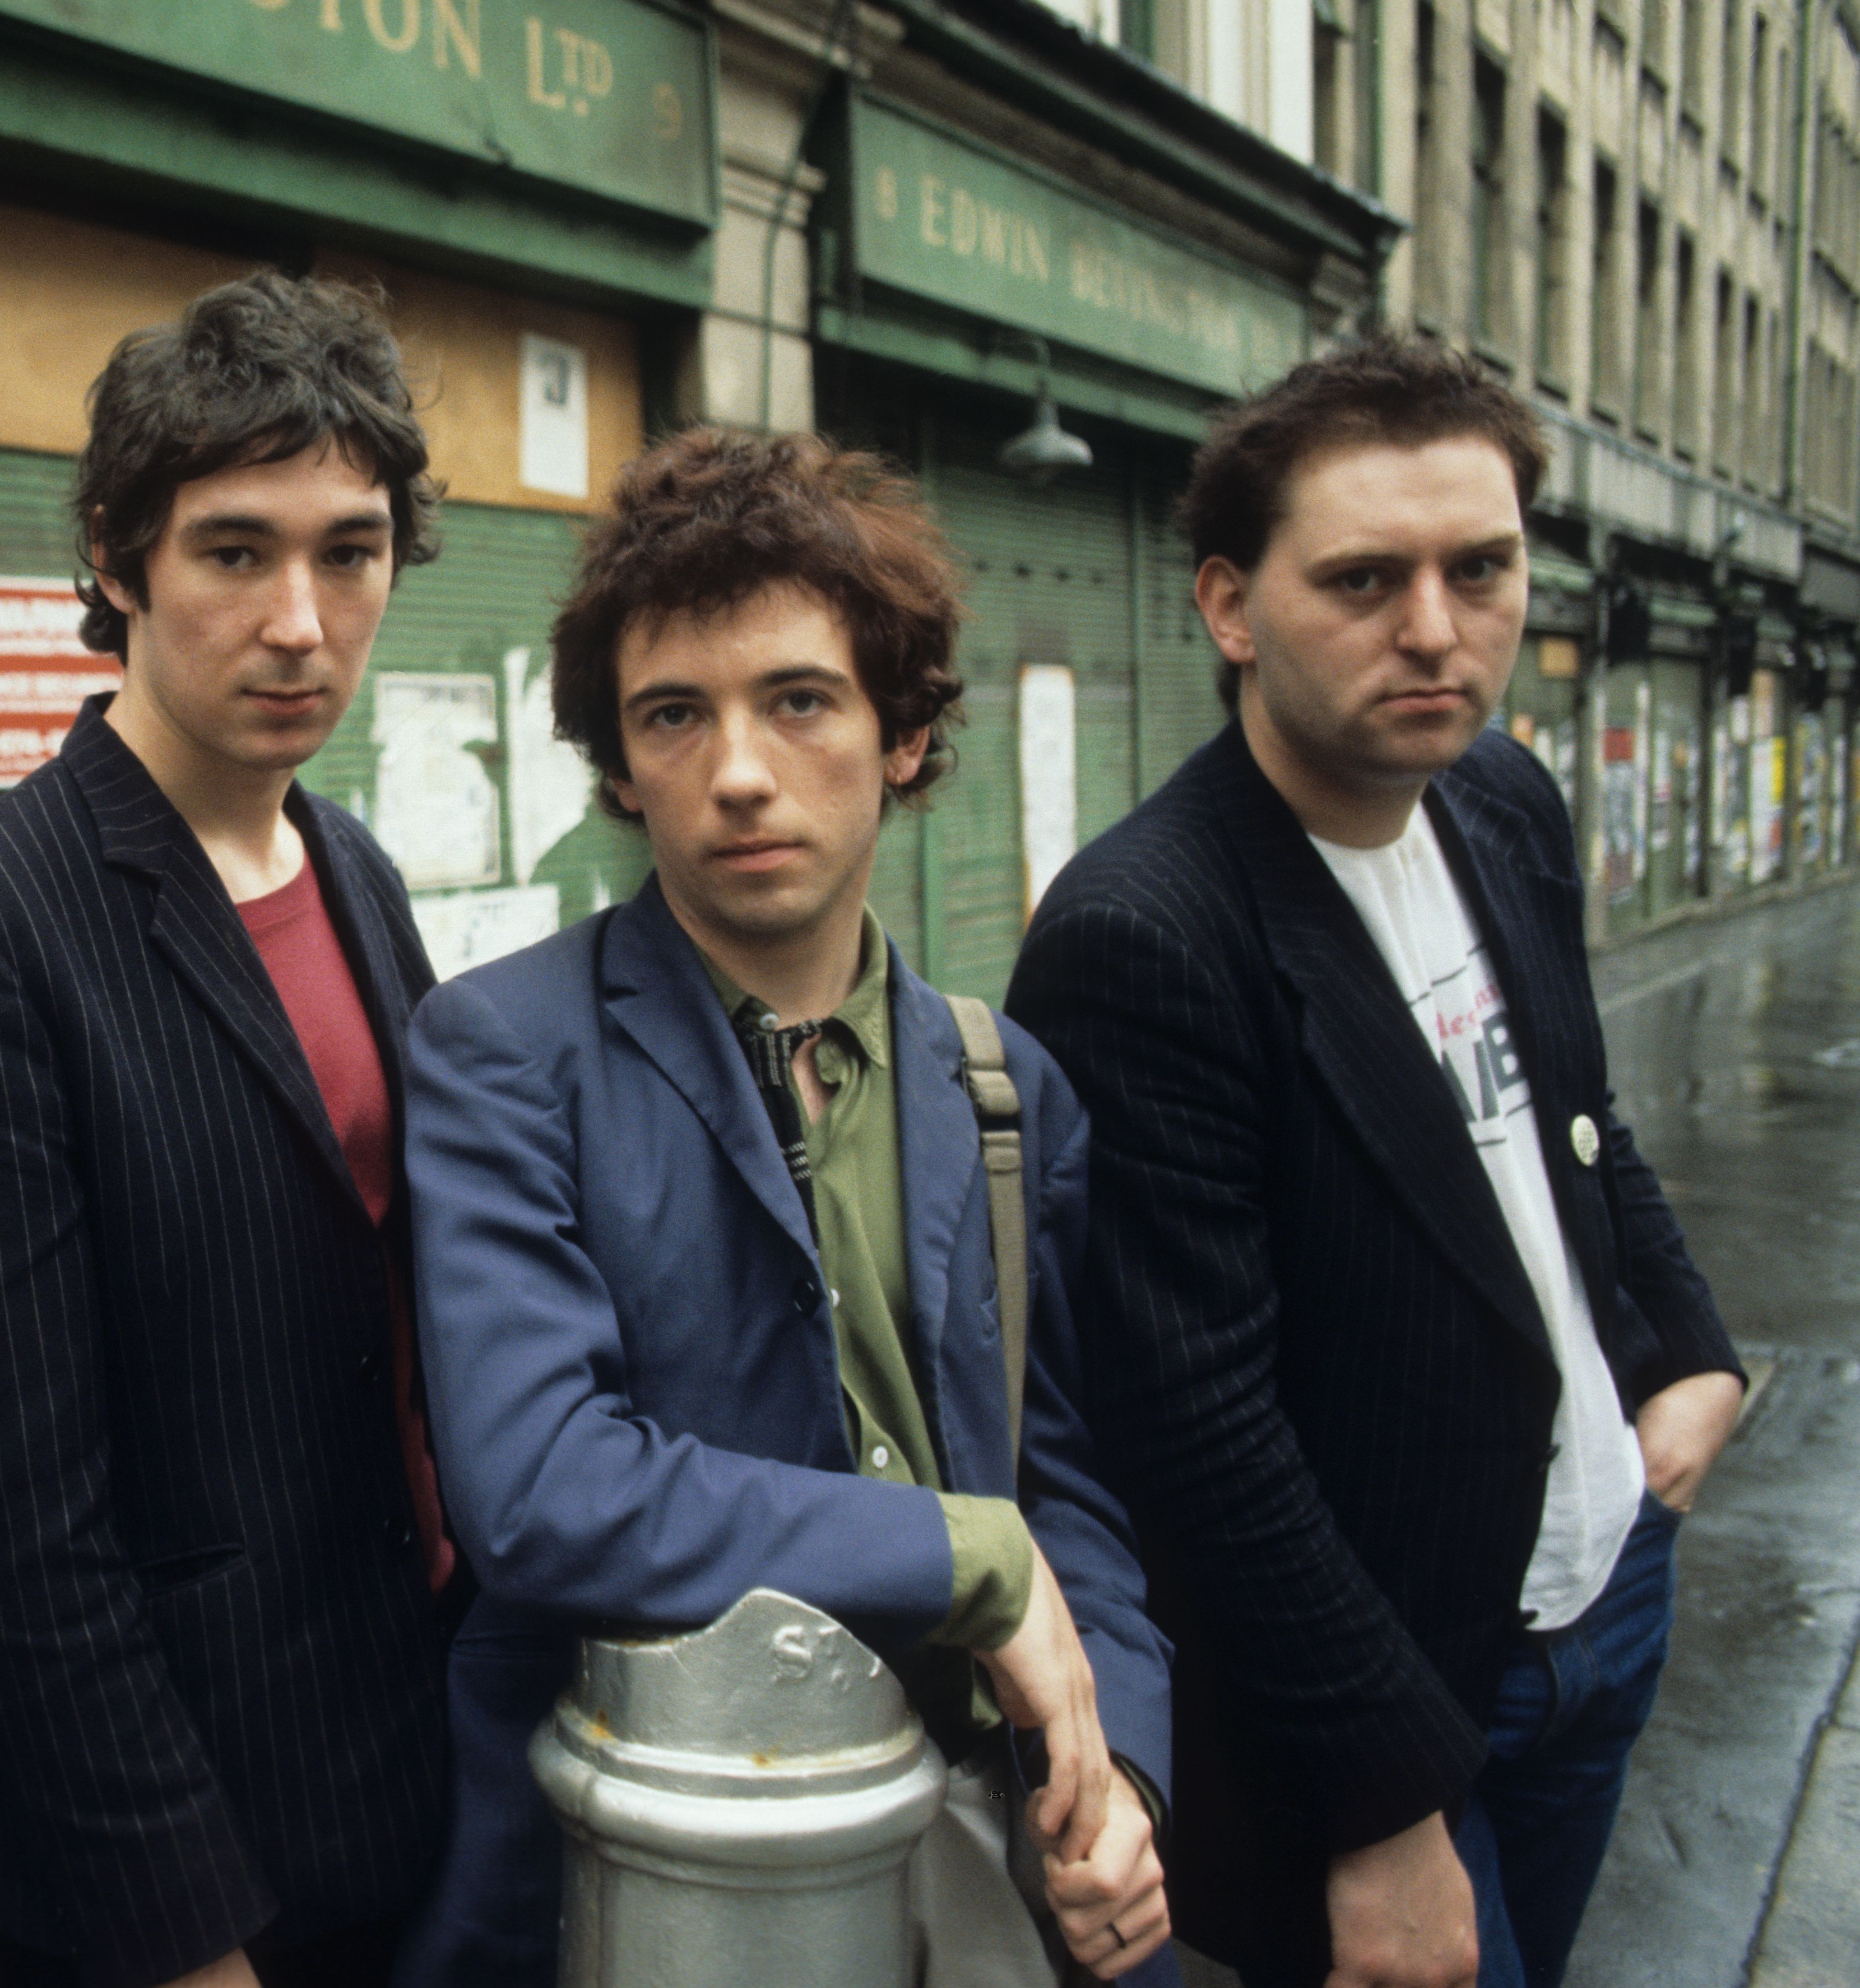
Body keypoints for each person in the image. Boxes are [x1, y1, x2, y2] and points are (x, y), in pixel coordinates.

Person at [1006, 335, 1743, 1988]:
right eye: (1363, 577)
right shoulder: (1148, 933)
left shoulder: (1498, 798)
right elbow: (1201, 1425)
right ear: (1228, 606)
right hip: (1400, 1684)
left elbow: (1573, 1116)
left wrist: (1687, 1350)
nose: (1433, 627)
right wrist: (1385, 1804)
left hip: (1602, 1593)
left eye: (1479, 569)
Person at [395, 428, 1175, 1988]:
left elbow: (1072, 1475)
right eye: (674, 715)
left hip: (982, 1836)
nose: (738, 770)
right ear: (619, 763)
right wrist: (965, 1556)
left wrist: (1121, 1780)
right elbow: (545, 1483)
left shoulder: (1001, 1080)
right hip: (666, 1852)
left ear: (901, 732)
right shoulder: (507, 1052)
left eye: (800, 700)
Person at [0, 271, 457, 1988]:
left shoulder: (354, 869)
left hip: (401, 1774)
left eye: (351, 550)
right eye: (235, 550)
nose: (301, 620)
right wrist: (182, 1926)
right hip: (171, 1850)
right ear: (115, 561)